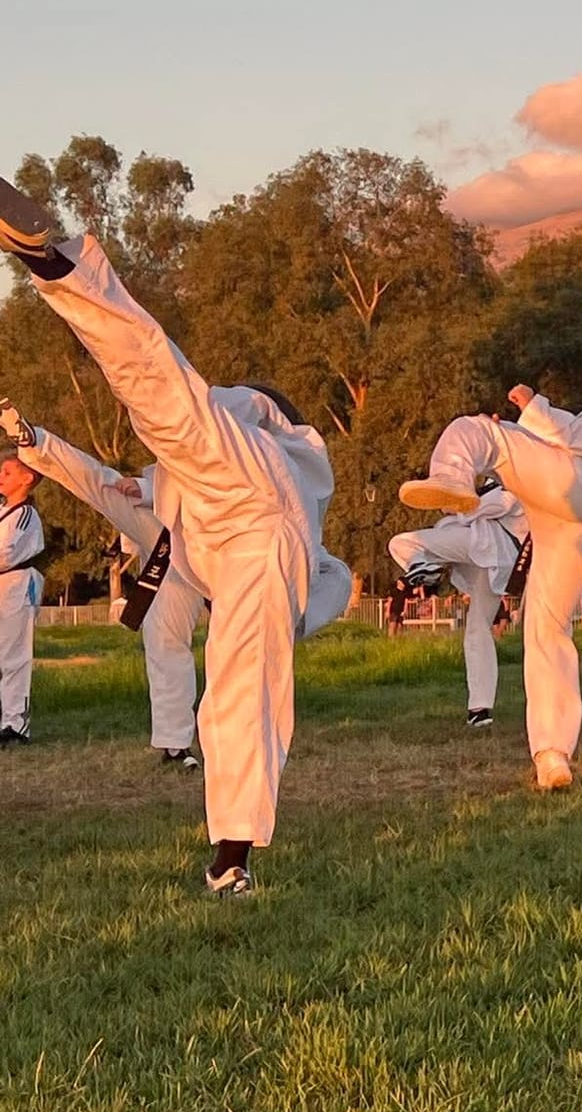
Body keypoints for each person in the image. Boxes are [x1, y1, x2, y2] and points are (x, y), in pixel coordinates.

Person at [0, 176, 352, 895]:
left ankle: (233, 851)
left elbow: (172, 398)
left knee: (163, 398)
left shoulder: (260, 417)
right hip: (197, 531)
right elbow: (109, 482)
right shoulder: (250, 453)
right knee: (151, 434)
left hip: (248, 513)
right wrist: (34, 443)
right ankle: (221, 831)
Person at [399, 326, 582, 791]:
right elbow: (567, 443)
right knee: (545, 625)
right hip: (571, 515)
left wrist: (531, 405)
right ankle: (552, 756)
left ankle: (455, 477)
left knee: (475, 430)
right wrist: (515, 432)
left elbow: (581, 438)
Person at [2, 406, 201, 763]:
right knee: (104, 485)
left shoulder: (239, 441)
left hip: (219, 550)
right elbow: (177, 481)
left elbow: (214, 486)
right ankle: (175, 745)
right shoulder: (185, 443)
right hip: (169, 546)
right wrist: (145, 493)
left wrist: (145, 488)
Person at [387, 477, 526, 727]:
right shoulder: (499, 485)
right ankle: (480, 708)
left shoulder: (512, 483)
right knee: (477, 627)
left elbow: (495, 506)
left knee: (401, 542)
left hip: (489, 548)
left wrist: (456, 505)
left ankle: (424, 567)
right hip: (489, 556)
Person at [0, 453, 43, 745]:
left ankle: (16, 724)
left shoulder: (25, 515)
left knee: (13, 655)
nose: (1, 477)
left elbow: (6, 553)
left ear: (27, 478)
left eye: (7, 472)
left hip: (16, 584)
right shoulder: (2, 511)